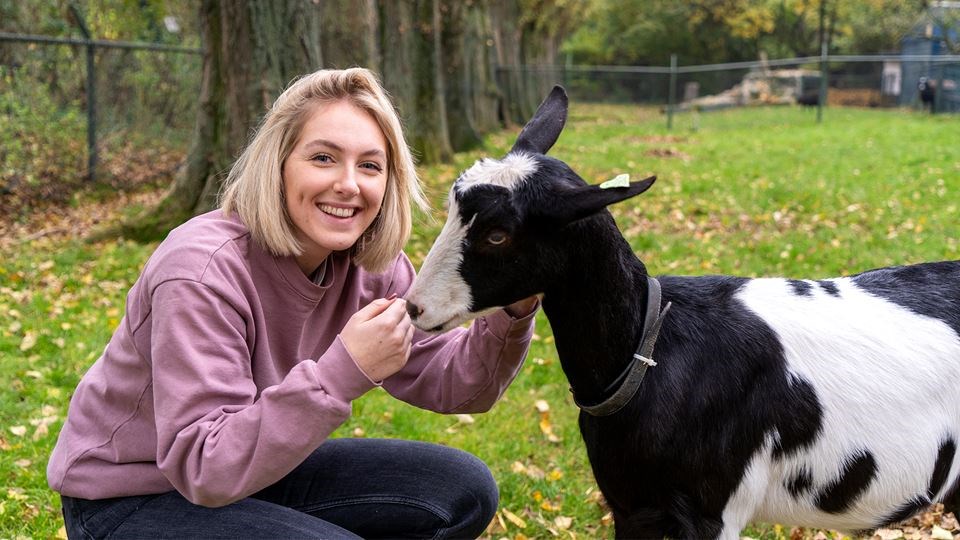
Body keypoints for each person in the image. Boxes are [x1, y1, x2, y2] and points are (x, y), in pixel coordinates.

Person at [47, 67, 539, 539]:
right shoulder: (200, 269)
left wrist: (513, 309)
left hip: (257, 472)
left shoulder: (368, 265)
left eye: (370, 165)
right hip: (131, 499)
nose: (348, 184)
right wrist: (340, 374)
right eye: (323, 158)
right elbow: (204, 466)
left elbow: (457, 383)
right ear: (279, 164)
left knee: (460, 491)